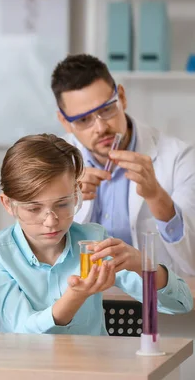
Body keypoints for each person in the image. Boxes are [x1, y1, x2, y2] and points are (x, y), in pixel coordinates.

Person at [0, 134, 193, 334]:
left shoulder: (93, 243)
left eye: (63, 204)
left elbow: (181, 303)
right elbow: (20, 332)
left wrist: (142, 266)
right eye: (33, 209)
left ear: (76, 193)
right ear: (8, 204)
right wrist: (76, 296)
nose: (51, 221)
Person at [52, 53, 195, 277]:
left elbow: (192, 263)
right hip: (80, 303)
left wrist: (157, 196)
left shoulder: (181, 158)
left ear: (121, 97)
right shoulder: (53, 161)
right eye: (83, 120)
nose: (100, 128)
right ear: (65, 122)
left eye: (106, 109)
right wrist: (61, 202)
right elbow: (36, 258)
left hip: (154, 302)